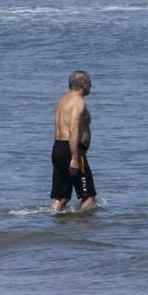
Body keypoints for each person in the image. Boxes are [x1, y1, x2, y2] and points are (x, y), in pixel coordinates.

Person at [50, 71, 96, 213]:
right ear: (83, 84)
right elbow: (73, 129)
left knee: (62, 196)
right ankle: (83, 229)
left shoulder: (63, 100)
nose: (92, 85)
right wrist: (75, 158)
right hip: (72, 150)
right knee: (88, 196)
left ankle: (57, 224)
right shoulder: (78, 102)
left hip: (58, 148)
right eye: (90, 82)